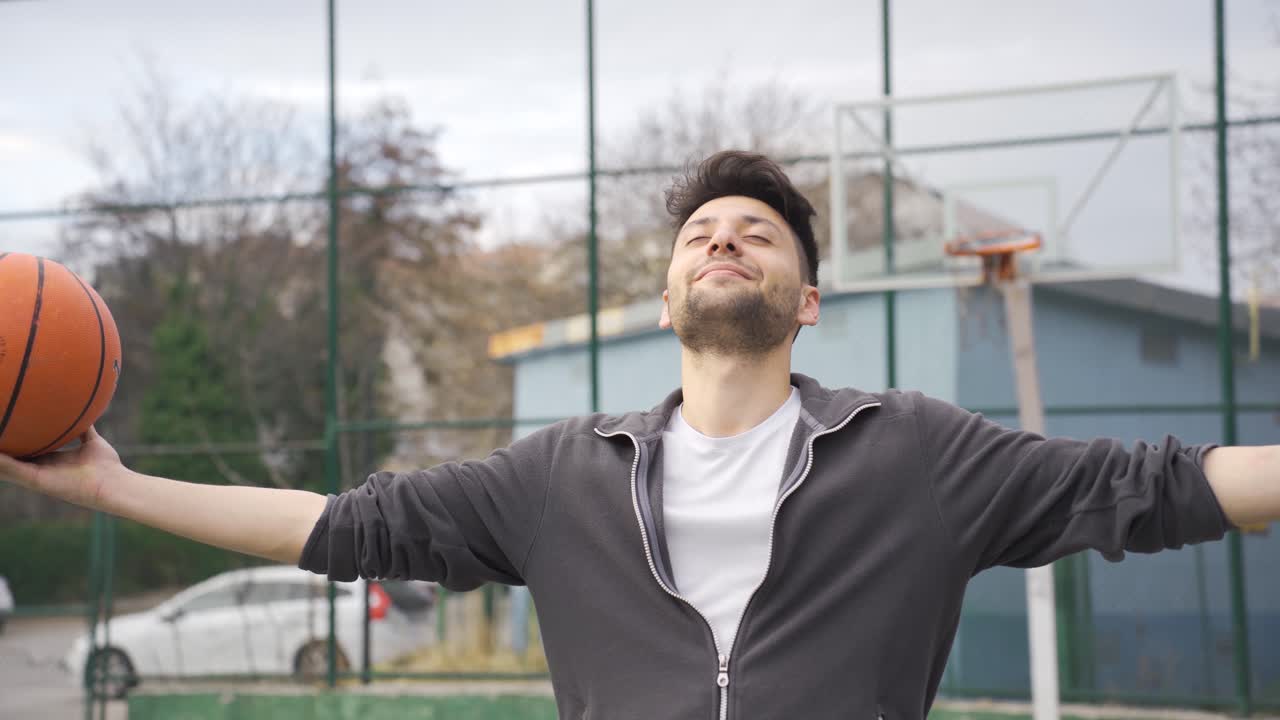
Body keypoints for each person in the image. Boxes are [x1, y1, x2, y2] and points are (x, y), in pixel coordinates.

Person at [0, 150, 1276, 719]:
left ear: (805, 300)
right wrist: (111, 491)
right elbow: (343, 525)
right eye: (697, 235)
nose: (723, 239)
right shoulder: (559, 476)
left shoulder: (915, 454)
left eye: (757, 233)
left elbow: (1167, 486)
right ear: (666, 298)